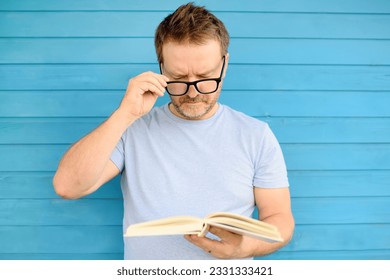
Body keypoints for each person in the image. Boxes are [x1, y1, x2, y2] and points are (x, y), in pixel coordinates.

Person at [53, 2, 294, 260]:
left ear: (224, 65)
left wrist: (248, 247)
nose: (192, 92)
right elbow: (68, 187)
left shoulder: (256, 135)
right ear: (161, 68)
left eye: (204, 77)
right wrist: (125, 114)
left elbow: (279, 218)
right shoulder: (131, 128)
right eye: (178, 78)